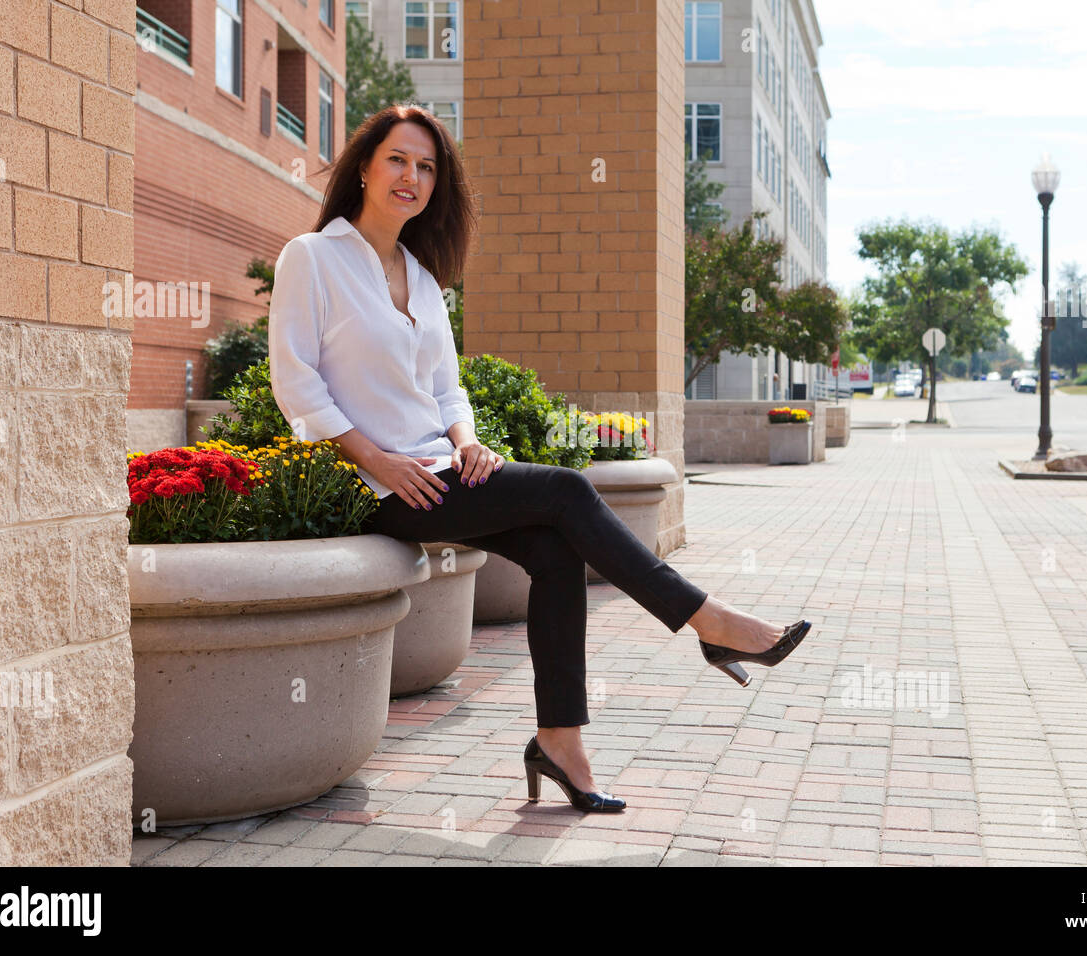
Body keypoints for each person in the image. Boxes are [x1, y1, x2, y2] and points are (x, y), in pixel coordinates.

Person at [268, 105, 810, 813]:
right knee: (564, 490)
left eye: (427, 167)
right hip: (377, 484)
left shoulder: (423, 279)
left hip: (440, 469)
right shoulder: (312, 258)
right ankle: (710, 623)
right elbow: (295, 380)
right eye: (399, 159)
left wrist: (466, 442)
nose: (412, 177)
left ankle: (560, 743)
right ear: (365, 166)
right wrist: (378, 457)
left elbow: (444, 387)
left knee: (557, 556)